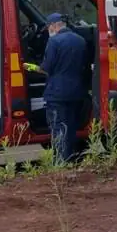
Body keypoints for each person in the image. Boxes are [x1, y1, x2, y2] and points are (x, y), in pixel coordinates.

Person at [40, 13, 88, 163]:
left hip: (57, 93)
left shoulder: (54, 42)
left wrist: (35, 68)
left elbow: (47, 67)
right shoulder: (81, 41)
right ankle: (72, 158)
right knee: (71, 127)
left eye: (49, 27)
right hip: (76, 91)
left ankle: (61, 163)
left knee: (59, 127)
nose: (49, 30)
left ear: (54, 25)